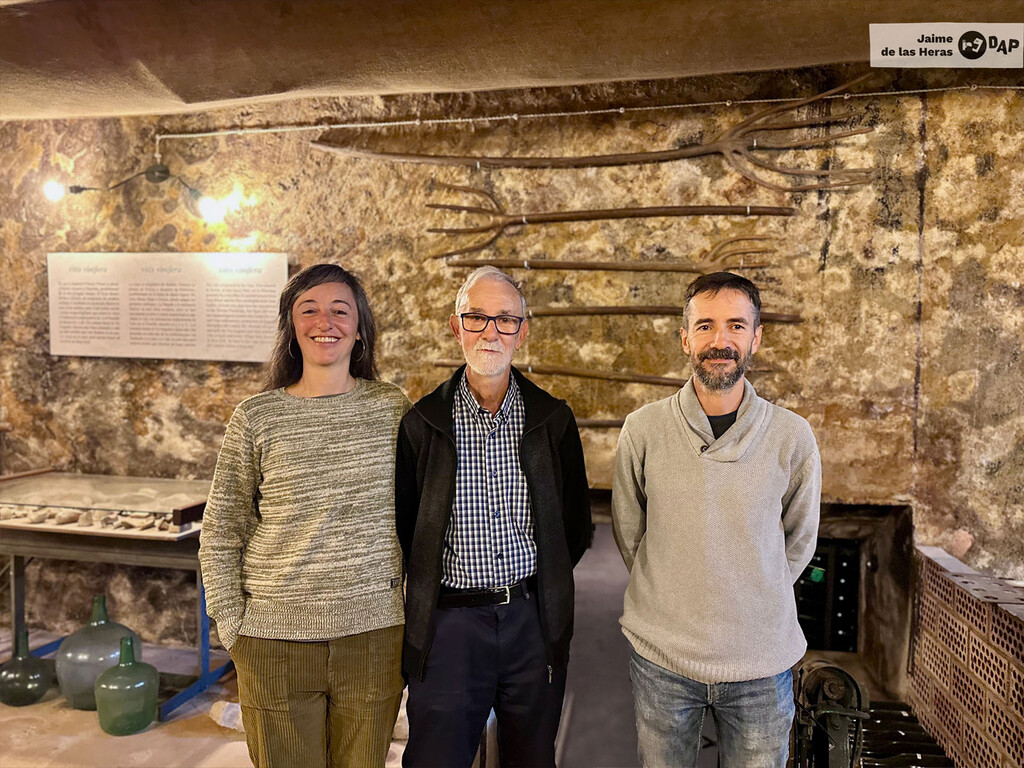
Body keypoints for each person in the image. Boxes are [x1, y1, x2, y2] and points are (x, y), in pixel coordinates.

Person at [199, 263, 409, 768]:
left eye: (341, 310)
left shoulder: (392, 408)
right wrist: (234, 627)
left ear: (360, 328)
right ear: (291, 327)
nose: (325, 322)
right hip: (274, 641)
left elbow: (422, 515)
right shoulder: (257, 416)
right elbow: (221, 529)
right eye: (308, 310)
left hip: (373, 637)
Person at [612, 271, 821, 768]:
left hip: (761, 663)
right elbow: (629, 532)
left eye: (735, 325)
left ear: (756, 336)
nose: (720, 341)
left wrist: (754, 590)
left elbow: (799, 540)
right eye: (705, 326)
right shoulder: (643, 430)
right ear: (685, 338)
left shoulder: (792, 437)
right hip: (663, 658)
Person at [395, 266, 592, 768]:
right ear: (456, 327)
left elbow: (574, 526)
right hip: (450, 626)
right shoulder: (423, 423)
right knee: (435, 757)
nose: (491, 331)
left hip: (531, 620)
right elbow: (408, 524)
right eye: (477, 317)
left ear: (523, 332)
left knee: (530, 757)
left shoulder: (552, 420)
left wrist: (544, 593)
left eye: (505, 319)